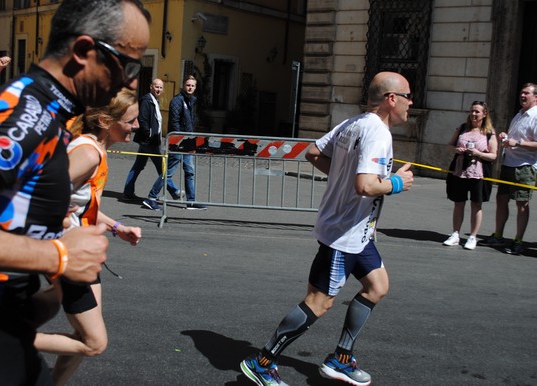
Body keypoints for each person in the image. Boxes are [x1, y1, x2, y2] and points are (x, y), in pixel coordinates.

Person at [0, 0, 151, 384]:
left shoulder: (34, 108)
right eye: (129, 65)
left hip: (0, 329)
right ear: (85, 52)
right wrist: (57, 258)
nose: (132, 82)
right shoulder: (27, 114)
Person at [239, 72, 414, 386]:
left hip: (359, 231)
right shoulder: (377, 132)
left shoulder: (354, 123)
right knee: (320, 301)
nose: (410, 103)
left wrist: (347, 179)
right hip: (344, 232)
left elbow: (314, 153)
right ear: (391, 99)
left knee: (378, 287)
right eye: (408, 96)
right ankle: (262, 362)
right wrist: (397, 183)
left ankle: (341, 359)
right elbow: (366, 185)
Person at [35, 88, 142, 385]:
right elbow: (41, 188)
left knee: (80, 331)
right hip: (67, 252)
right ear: (107, 121)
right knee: (94, 343)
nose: (136, 126)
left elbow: (82, 205)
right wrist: (57, 212)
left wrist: (117, 227)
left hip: (77, 251)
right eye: (131, 121)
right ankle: (3, 336)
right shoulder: (88, 152)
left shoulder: (95, 147)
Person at [480, 83, 537, 255]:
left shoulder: (535, 116)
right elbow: (515, 138)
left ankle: (518, 240)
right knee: (502, 199)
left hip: (525, 166)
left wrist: (517, 143)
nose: (522, 95)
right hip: (508, 163)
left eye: (526, 93)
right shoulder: (520, 114)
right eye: (521, 92)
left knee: (522, 203)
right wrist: (506, 137)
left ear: (536, 96)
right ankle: (498, 234)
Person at [143, 75, 206, 210]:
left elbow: (191, 121)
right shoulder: (178, 100)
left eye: (193, 86)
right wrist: (180, 139)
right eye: (188, 85)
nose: (190, 87)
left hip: (188, 141)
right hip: (178, 142)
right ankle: (151, 197)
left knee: (189, 171)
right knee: (169, 172)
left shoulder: (192, 100)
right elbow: (175, 121)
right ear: (183, 85)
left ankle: (191, 201)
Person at [443, 101, 498, 250]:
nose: (474, 114)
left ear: (484, 114)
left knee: (476, 204)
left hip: (478, 173)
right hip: (460, 172)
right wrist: (457, 150)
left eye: (477, 112)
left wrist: (478, 154)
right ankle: (455, 234)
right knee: (458, 203)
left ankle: (473, 236)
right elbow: (449, 146)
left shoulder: (489, 133)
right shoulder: (462, 128)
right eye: (472, 111)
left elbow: (494, 156)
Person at [123, 78, 181, 206]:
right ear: (151, 87)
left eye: (161, 87)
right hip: (149, 141)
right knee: (162, 167)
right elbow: (143, 120)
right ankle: (174, 190)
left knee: (138, 166)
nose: (159, 89)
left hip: (150, 141)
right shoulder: (146, 100)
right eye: (156, 87)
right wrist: (149, 135)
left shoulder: (154, 101)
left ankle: (127, 191)